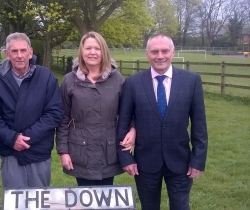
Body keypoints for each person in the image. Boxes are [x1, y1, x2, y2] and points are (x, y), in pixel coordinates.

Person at [117, 34, 208, 210]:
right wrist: (126, 158)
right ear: (147, 54)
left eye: (165, 51)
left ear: (173, 52)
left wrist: (198, 160)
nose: (160, 56)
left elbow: (199, 125)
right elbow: (123, 123)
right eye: (155, 51)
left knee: (181, 206)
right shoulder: (133, 83)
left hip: (181, 161)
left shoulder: (191, 81)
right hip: (145, 162)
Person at [0, 32, 64, 188]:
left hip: (38, 150)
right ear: (7, 54)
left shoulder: (46, 76)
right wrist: (12, 139)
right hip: (10, 151)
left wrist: (27, 138)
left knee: (39, 201)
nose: (19, 55)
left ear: (30, 52)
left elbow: (54, 112)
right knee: (15, 201)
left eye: (23, 50)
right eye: (14, 51)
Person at [56, 31, 136, 186]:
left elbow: (128, 112)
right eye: (88, 48)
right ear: (82, 51)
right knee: (85, 199)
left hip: (108, 150)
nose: (92, 52)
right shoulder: (69, 81)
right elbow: (63, 118)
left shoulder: (117, 79)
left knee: (105, 198)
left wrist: (133, 130)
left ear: (103, 51)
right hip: (80, 151)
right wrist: (63, 151)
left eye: (97, 48)